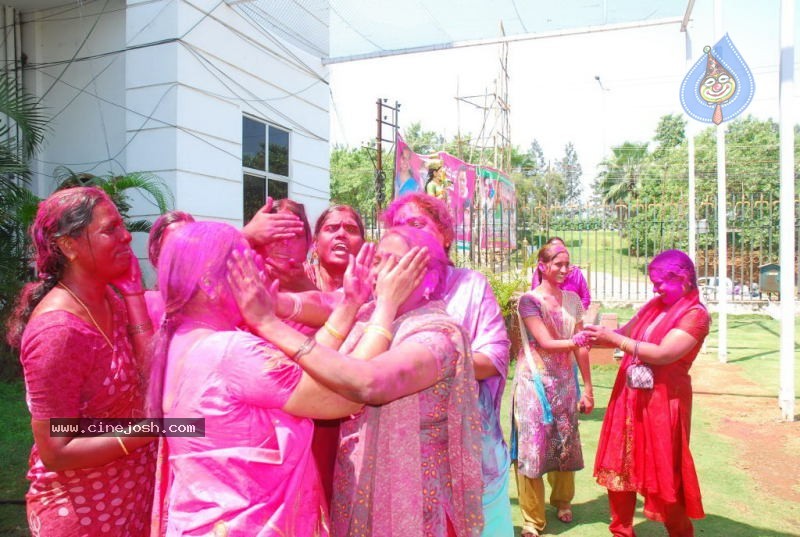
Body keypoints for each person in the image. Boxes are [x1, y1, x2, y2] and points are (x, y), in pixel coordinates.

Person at [228, 226, 484, 537]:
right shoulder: (369, 316)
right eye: (377, 260)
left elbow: (368, 385)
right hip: (360, 489)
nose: (380, 271)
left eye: (394, 262)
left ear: (428, 279)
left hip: (415, 505)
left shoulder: (438, 336)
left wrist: (268, 323)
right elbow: (321, 325)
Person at [150, 221, 382, 536]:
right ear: (209, 282)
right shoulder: (230, 352)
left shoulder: (182, 341)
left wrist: (350, 305)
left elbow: (294, 375)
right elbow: (347, 394)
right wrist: (386, 310)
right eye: (246, 268)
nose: (259, 279)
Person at [6, 186, 157, 536]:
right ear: (68, 245)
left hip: (130, 497)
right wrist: (154, 428)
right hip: (84, 513)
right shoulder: (58, 332)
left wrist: (133, 292)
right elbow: (56, 448)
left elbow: (149, 373)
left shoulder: (108, 298)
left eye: (123, 226)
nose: (125, 238)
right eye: (110, 229)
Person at [381, 192, 513, 536]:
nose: (408, 232)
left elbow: (495, 356)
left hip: (471, 449)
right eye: (398, 226)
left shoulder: (469, 285)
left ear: (446, 234)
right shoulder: (381, 290)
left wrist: (436, 362)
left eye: (417, 223)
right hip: (402, 455)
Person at [586, 249, 710, 537]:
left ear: (684, 279)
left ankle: (679, 531)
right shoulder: (656, 306)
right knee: (620, 465)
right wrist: (590, 337)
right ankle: (621, 530)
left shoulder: (695, 315)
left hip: (663, 404)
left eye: (661, 282)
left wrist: (613, 338)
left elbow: (664, 354)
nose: (655, 288)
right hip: (629, 397)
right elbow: (627, 333)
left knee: (664, 472)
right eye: (653, 281)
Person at [511, 242, 595, 537]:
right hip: (534, 383)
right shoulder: (529, 301)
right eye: (557, 264)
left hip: (565, 383)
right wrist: (580, 340)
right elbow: (545, 342)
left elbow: (581, 350)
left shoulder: (573, 301)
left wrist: (588, 388)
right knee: (532, 448)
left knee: (565, 444)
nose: (563, 270)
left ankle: (562, 501)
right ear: (542, 266)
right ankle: (532, 520)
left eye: (566, 265)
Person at [255, 198, 317, 292]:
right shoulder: (241, 281)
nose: (285, 242)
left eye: (294, 235)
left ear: (308, 243)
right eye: (277, 232)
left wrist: (306, 287)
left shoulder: (315, 279)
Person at [145, 210, 195, 325]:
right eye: (172, 245)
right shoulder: (146, 304)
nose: (182, 253)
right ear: (156, 253)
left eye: (189, 244)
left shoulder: (213, 303)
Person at [307, 204, 366, 292]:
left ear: (363, 244)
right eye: (331, 228)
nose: (341, 234)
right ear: (315, 242)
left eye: (351, 230)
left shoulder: (376, 286)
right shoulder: (295, 281)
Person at [531, 237, 591, 310]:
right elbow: (536, 298)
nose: (563, 270)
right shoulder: (541, 271)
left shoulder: (576, 272)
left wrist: (575, 313)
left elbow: (585, 298)